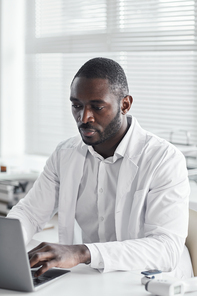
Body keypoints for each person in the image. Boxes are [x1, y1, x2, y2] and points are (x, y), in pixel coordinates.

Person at [7, 57, 192, 278]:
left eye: (97, 106)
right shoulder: (64, 154)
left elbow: (166, 249)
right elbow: (30, 213)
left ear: (125, 104)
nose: (84, 117)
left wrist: (83, 252)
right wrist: (7, 246)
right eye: (77, 106)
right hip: (92, 277)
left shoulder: (164, 159)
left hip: (150, 280)